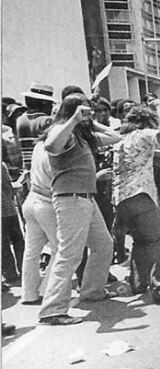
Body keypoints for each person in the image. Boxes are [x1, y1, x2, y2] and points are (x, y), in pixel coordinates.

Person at [38, 95, 121, 325]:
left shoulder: (82, 136)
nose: (89, 114)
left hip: (85, 199)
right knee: (69, 255)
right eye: (85, 110)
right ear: (71, 111)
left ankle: (92, 291)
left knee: (104, 245)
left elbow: (116, 136)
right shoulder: (62, 132)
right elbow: (51, 145)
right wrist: (74, 119)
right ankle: (52, 310)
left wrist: (91, 122)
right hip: (71, 199)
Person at [110, 105, 160, 301]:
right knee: (157, 235)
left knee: (141, 240)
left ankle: (138, 283)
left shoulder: (122, 140)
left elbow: (157, 154)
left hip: (121, 199)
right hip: (139, 195)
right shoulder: (143, 134)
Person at [19, 141, 56, 305]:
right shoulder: (55, 150)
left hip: (31, 199)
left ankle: (29, 293)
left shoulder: (38, 146)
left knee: (31, 251)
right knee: (60, 248)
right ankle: (46, 288)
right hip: (47, 203)